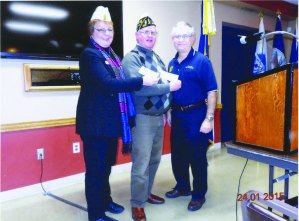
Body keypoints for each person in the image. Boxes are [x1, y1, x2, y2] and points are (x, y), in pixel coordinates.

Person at [76, 6, 159, 221]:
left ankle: (106, 200)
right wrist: (142, 81)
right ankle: (95, 213)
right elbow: (108, 84)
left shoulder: (111, 54)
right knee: (96, 171)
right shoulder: (90, 54)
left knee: (105, 168)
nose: (106, 34)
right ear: (92, 32)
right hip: (94, 125)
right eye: (101, 30)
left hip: (110, 124)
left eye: (110, 31)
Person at [122, 16, 182, 221]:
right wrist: (169, 87)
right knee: (141, 163)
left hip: (158, 118)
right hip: (142, 119)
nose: (150, 36)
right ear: (137, 35)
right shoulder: (132, 58)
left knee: (154, 160)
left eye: (153, 32)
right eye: (146, 32)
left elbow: (160, 86)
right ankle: (137, 203)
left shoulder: (157, 58)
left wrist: (166, 110)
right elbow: (137, 89)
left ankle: (146, 193)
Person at [165, 21, 218, 212]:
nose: (180, 40)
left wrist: (209, 118)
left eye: (184, 36)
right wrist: (169, 110)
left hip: (196, 115)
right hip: (177, 116)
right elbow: (169, 91)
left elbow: (212, 91)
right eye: (176, 36)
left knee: (197, 158)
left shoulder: (202, 61)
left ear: (192, 38)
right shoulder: (171, 64)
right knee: (178, 156)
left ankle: (198, 195)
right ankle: (183, 187)